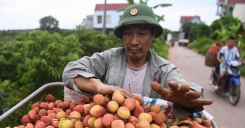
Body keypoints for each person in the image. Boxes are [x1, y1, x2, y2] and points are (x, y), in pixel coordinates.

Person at [62, 4, 212, 118]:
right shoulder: (108, 59)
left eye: (142, 33)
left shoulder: (164, 69)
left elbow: (185, 88)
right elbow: (71, 71)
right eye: (128, 34)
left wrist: (186, 101)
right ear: (122, 36)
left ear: (153, 34)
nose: (134, 41)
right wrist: (101, 87)